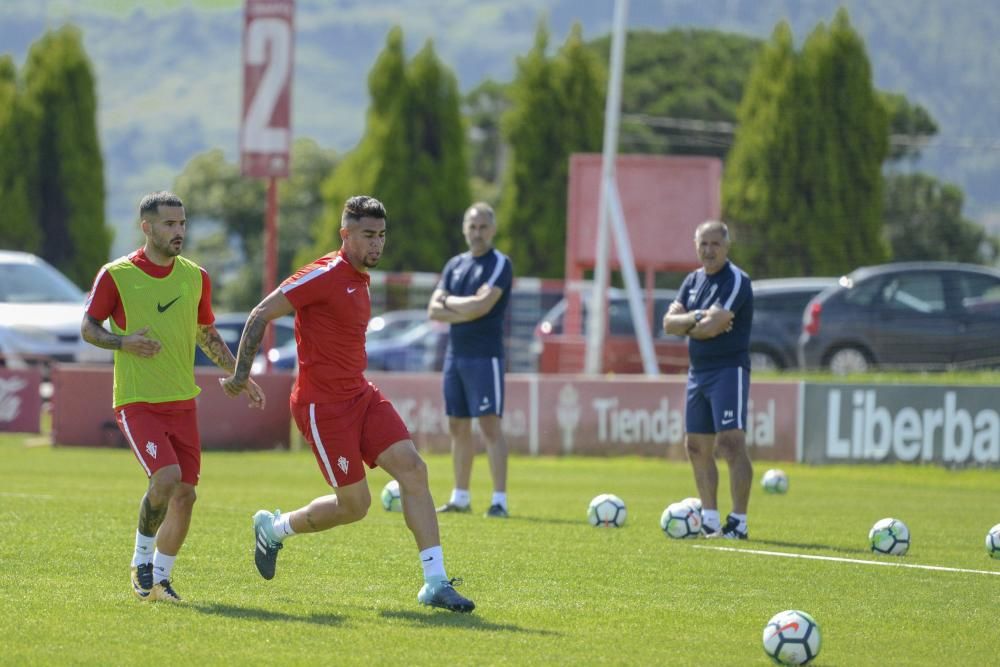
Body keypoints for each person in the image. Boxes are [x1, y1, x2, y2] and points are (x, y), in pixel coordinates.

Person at [220, 195, 475, 613]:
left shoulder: (361, 276)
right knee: (355, 507)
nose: (376, 244)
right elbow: (261, 313)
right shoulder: (323, 274)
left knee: (414, 468)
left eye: (381, 235)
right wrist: (241, 374)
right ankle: (275, 528)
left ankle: (435, 583)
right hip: (323, 408)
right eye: (367, 235)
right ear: (345, 235)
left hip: (361, 395)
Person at [81, 191, 265, 602]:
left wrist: (240, 373)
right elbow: (89, 327)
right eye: (169, 224)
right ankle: (141, 561)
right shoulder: (117, 274)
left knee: (186, 494)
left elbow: (206, 332)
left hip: (182, 401)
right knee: (165, 478)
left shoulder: (195, 276)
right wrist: (123, 342)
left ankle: (161, 581)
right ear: (146, 227)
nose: (178, 231)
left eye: (182, 223)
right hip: (137, 400)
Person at [662, 220, 754, 539]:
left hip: (728, 370)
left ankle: (738, 523)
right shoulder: (691, 281)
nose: (709, 250)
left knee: (731, 443)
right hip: (697, 373)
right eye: (703, 244)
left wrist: (692, 322)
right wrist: (697, 318)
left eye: (715, 244)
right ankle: (711, 520)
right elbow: (668, 323)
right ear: (695, 246)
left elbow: (712, 328)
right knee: (696, 446)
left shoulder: (737, 280)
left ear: (727, 247)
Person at [427, 203, 513, 518]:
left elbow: (483, 306)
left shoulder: (500, 263)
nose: (477, 233)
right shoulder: (454, 265)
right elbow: (433, 310)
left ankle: (499, 500)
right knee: (457, 425)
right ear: (465, 229)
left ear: (492, 229)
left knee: (490, 426)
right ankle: (460, 497)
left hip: (484, 356)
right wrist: (463, 305)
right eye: (472, 227)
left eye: (483, 227)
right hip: (455, 356)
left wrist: (450, 303)